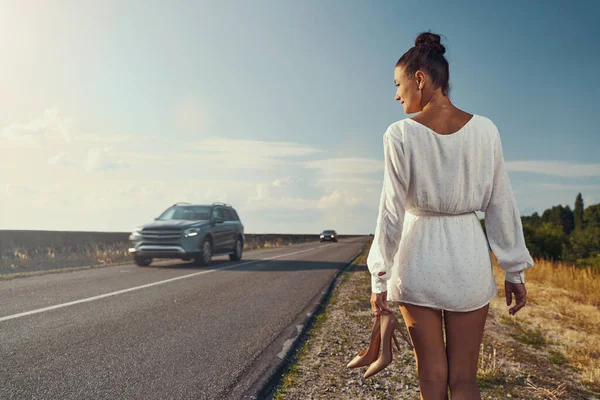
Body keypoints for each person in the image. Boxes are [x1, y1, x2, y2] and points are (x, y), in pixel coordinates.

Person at [366, 32, 534, 399]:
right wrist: (513, 270)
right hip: (468, 258)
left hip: (417, 259)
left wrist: (380, 276)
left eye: (399, 84)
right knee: (464, 378)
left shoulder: (398, 135)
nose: (397, 94)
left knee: (430, 376)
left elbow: (390, 210)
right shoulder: (486, 130)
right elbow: (500, 202)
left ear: (420, 79)